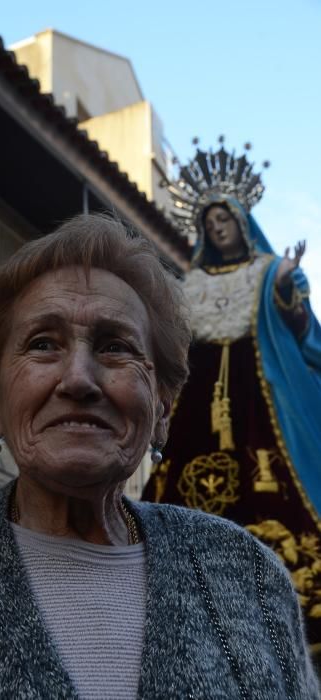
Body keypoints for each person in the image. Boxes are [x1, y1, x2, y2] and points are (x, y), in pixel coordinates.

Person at [0, 213, 319, 699]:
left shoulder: (250, 577)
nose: (78, 378)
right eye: (42, 344)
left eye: (115, 346)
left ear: (161, 410)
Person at [143, 142, 321, 660]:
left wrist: (289, 284)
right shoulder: (189, 284)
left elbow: (300, 329)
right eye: (210, 220)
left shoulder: (268, 271)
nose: (218, 227)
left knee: (269, 483)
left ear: (242, 222)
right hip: (199, 398)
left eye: (226, 218)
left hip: (257, 396)